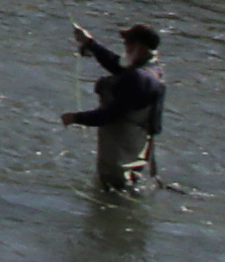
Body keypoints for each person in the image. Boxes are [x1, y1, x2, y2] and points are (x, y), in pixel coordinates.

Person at [62, 23, 166, 194]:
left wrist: (76, 118)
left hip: (122, 143)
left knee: (113, 188)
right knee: (128, 184)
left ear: (139, 46)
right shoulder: (149, 69)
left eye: (128, 43)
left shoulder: (138, 78)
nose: (124, 47)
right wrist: (90, 43)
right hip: (137, 142)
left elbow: (111, 114)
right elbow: (116, 64)